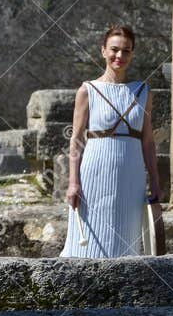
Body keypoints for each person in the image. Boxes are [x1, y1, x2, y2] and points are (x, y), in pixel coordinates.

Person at [63, 24, 163, 258]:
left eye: (126, 50)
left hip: (131, 175)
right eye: (114, 49)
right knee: (86, 245)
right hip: (94, 174)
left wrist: (156, 181)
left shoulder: (142, 92)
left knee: (126, 242)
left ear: (132, 53)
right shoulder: (88, 90)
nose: (119, 56)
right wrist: (73, 182)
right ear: (103, 51)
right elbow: (76, 140)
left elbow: (147, 142)